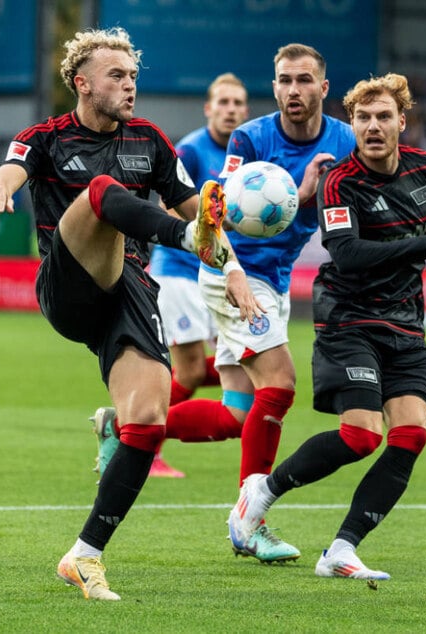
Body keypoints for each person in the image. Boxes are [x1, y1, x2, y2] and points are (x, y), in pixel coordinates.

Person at [0, 27, 257, 601]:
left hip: (130, 289)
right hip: (69, 282)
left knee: (147, 424)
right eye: (116, 76)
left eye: (132, 76)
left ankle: (84, 556)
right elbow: (12, 170)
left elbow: (201, 214)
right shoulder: (45, 137)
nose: (129, 86)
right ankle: (178, 240)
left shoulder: (150, 140)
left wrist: (230, 268)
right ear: (82, 83)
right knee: (102, 190)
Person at [94, 43, 355, 562]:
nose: (293, 90)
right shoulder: (250, 138)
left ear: (324, 88)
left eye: (304, 80)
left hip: (274, 280)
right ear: (274, 85)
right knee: (279, 384)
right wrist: (300, 196)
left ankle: (123, 426)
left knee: (236, 412)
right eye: (284, 80)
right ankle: (249, 519)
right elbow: (219, 213)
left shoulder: (345, 139)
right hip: (230, 271)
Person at [230, 72, 426, 580]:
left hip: (405, 324)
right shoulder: (340, 181)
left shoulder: (425, 169)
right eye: (362, 118)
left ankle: (342, 550)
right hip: (348, 318)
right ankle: (260, 492)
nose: (372, 126)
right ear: (351, 123)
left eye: (383, 117)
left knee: (411, 435)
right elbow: (348, 256)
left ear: (401, 122)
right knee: (361, 436)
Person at [141, 72, 251, 478]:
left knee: (232, 363)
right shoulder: (189, 150)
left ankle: (134, 423)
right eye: (223, 102)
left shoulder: (246, 154)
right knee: (189, 371)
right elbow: (170, 211)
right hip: (181, 272)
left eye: (238, 103)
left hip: (217, 275)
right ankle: (137, 437)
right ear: (209, 108)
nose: (231, 110)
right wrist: (208, 229)